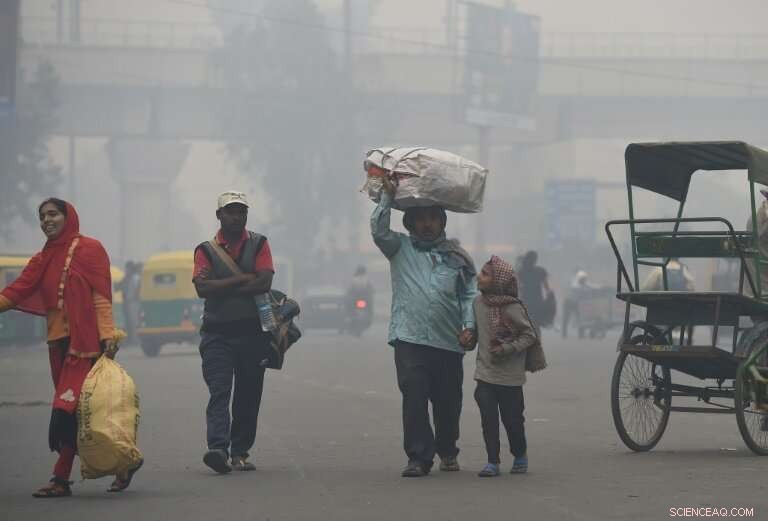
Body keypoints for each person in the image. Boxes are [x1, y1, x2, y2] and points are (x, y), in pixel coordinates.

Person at [0, 198, 141, 497]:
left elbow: (101, 298)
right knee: (83, 412)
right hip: (58, 346)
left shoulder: (90, 249)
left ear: (69, 217)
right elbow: (16, 291)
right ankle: (124, 463)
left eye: (53, 214)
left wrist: (107, 340)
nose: (46, 220)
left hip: (87, 347)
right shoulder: (43, 258)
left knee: (70, 410)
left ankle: (61, 478)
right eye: (42, 216)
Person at [371, 176, 478, 478]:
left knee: (448, 403)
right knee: (414, 397)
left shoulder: (457, 257)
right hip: (409, 338)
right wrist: (387, 198)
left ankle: (447, 449)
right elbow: (378, 231)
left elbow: (469, 293)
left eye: (433, 218)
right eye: (421, 219)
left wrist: (470, 326)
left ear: (442, 222)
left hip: (448, 341)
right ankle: (418, 457)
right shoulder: (399, 248)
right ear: (410, 224)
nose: (427, 224)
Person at [193, 190, 275, 474]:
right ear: (219, 215)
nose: (237, 216)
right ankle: (218, 447)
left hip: (254, 335)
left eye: (241, 211)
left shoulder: (260, 243)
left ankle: (240, 452)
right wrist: (243, 279)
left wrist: (223, 284)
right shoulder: (205, 250)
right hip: (216, 335)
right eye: (231, 211)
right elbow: (202, 288)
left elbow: (264, 282)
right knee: (220, 390)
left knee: (248, 394)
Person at [471, 256, 538, 477]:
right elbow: (475, 334)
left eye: (485, 274)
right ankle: (493, 461)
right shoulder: (477, 303)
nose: (479, 277)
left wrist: (507, 349)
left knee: (513, 421)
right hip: (485, 374)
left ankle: (519, 454)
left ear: (498, 281)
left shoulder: (512, 308)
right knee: (488, 420)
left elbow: (529, 336)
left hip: (510, 378)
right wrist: (466, 338)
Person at [516, 251, 552, 328]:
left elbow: (518, 287)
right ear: (535, 260)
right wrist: (549, 297)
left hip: (526, 301)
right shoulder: (541, 271)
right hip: (538, 301)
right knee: (537, 324)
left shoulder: (521, 272)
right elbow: (547, 287)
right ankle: (547, 322)